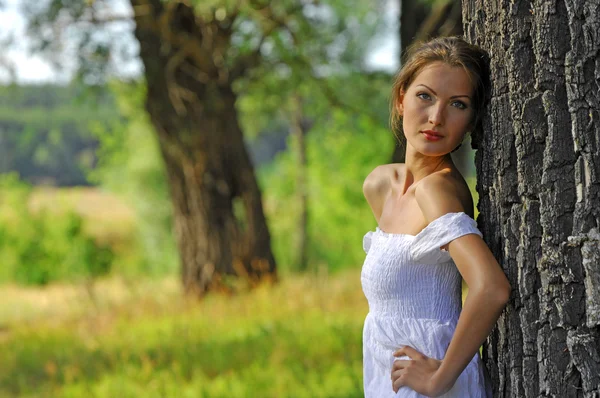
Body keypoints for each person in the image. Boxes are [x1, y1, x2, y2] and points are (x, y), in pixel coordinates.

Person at [361, 36, 511, 398]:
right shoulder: (381, 184)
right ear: (401, 99)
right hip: (389, 379)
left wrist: (439, 378)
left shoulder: (437, 191)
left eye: (457, 104)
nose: (436, 118)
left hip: (431, 382)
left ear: (471, 120)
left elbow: (491, 289)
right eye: (425, 96)